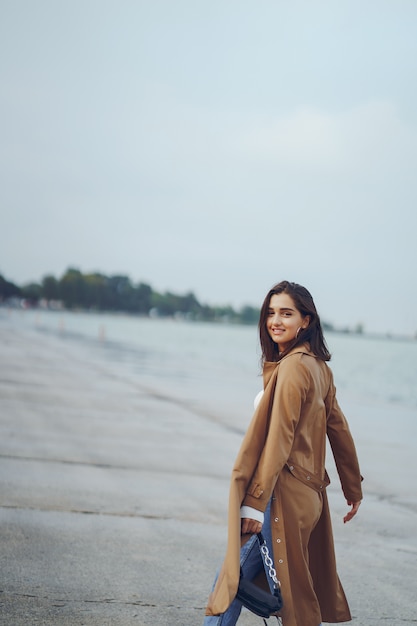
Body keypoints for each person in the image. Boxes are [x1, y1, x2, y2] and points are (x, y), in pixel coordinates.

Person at [203, 281, 363, 626]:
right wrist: (353, 489)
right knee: (244, 581)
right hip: (309, 497)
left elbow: (279, 439)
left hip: (283, 495)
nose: (276, 321)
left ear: (305, 321)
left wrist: (255, 502)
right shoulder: (319, 368)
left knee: (259, 588)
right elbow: (340, 430)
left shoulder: (293, 367)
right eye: (271, 313)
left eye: (286, 313)